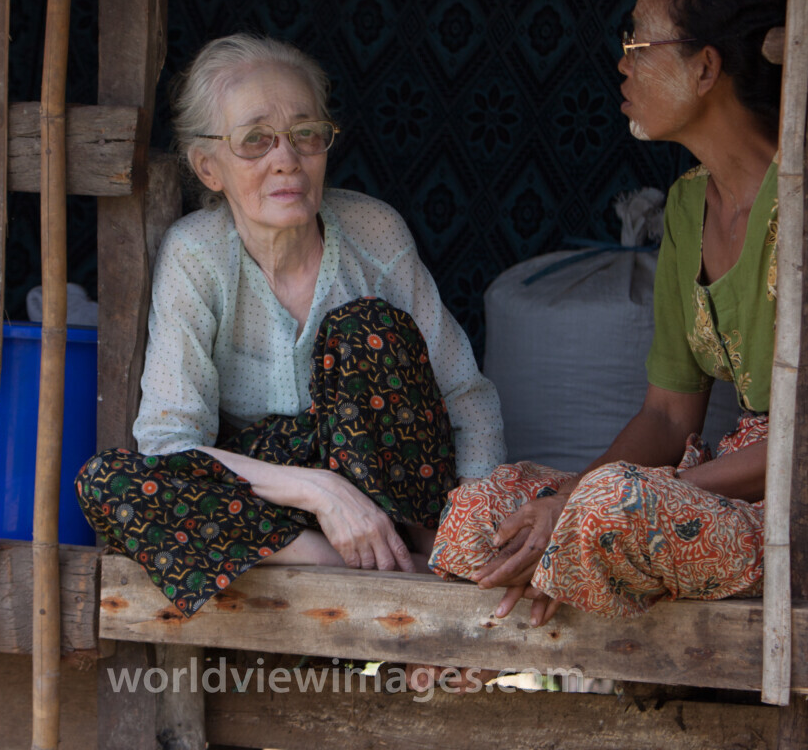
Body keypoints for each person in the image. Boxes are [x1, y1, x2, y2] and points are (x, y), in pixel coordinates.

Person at [429, 0, 808, 626]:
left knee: (606, 506)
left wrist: (597, 499)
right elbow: (666, 415)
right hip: (739, 495)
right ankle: (551, 584)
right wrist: (566, 494)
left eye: (639, 42)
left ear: (705, 68)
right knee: (495, 502)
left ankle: (567, 572)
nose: (621, 64)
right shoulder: (689, 205)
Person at [77, 34, 505, 616]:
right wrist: (319, 491)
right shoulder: (197, 255)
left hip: (407, 501)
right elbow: (171, 444)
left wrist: (468, 540)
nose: (287, 159)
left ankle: (429, 566)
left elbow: (467, 399)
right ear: (209, 166)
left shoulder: (373, 232)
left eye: (306, 134)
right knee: (109, 482)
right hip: (277, 504)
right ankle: (337, 563)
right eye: (255, 140)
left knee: (367, 330)